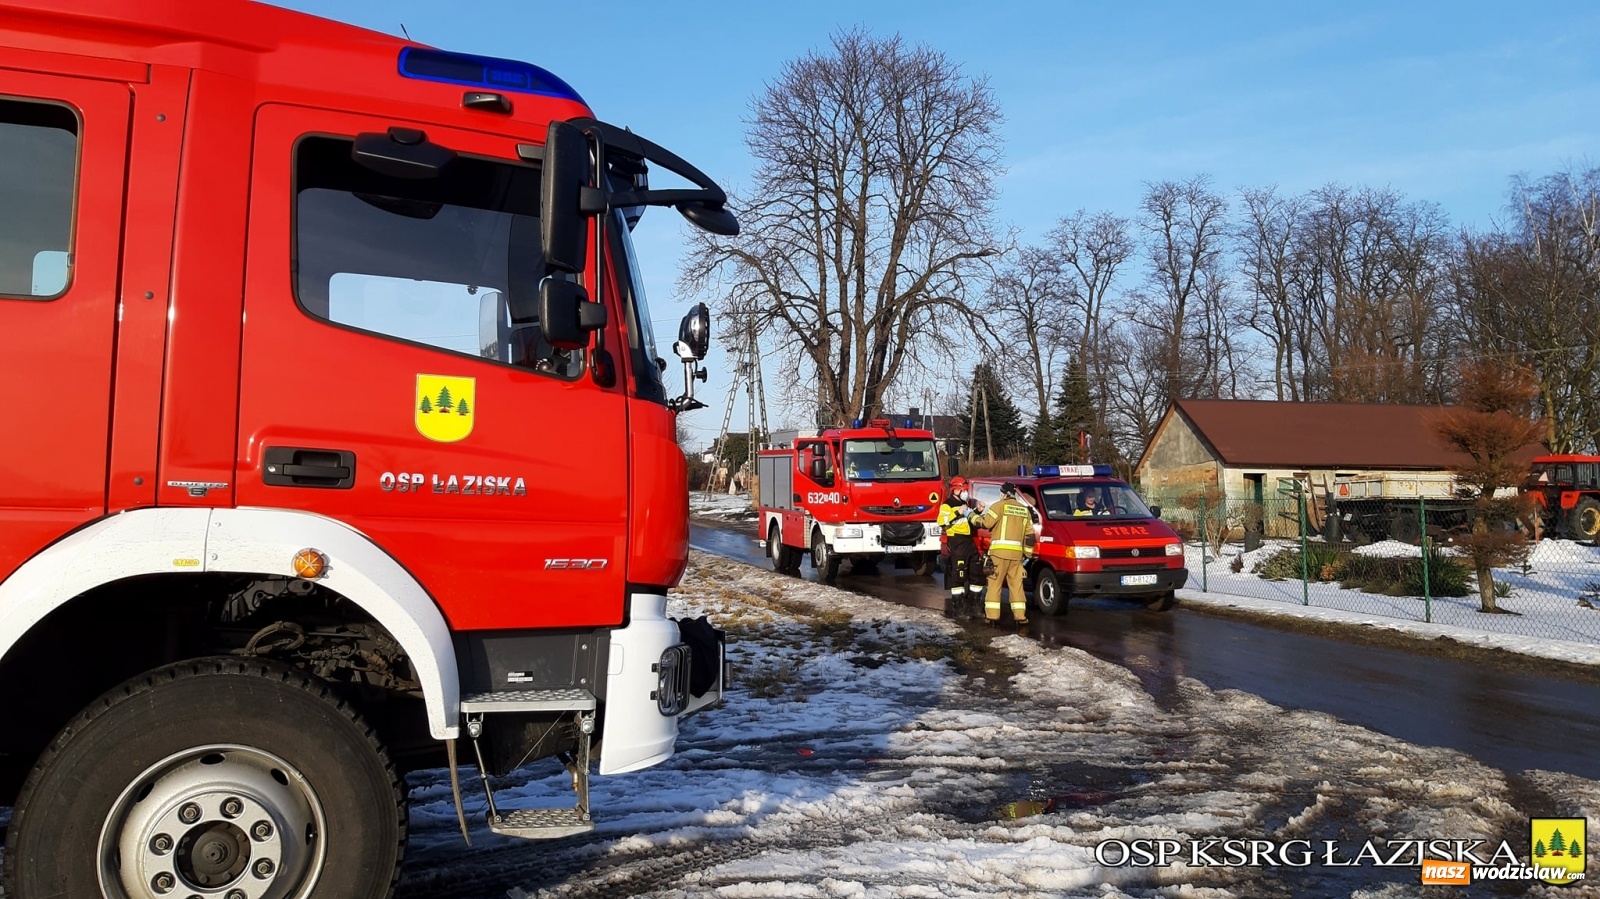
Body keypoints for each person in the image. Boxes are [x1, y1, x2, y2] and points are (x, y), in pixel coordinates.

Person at [975, 481, 1032, 628]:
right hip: (1017, 557)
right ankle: (1020, 617)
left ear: (1003, 493)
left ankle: (992, 617)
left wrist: (971, 516)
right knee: (1017, 587)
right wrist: (1027, 554)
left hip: (998, 555)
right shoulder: (1024, 510)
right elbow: (1030, 535)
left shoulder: (998, 506)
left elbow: (986, 523)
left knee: (994, 585)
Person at [937, 477, 985, 619]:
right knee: (958, 575)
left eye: (965, 490)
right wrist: (957, 512)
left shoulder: (965, 503)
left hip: (968, 541)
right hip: (956, 541)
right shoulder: (947, 505)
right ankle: (959, 608)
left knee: (976, 572)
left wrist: (977, 511)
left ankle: (975, 606)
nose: (965, 492)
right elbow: (941, 521)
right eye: (962, 489)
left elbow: (967, 520)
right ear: (955, 490)